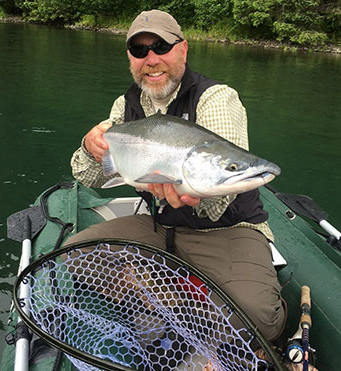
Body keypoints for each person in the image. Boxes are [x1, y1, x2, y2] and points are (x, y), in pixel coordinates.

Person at [68, 9, 286, 349]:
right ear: (130, 58)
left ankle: (168, 306)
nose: (151, 59)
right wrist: (90, 147)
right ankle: (183, 307)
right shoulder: (123, 108)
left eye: (161, 47)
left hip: (227, 230)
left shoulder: (216, 98)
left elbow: (220, 191)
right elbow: (89, 176)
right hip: (160, 227)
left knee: (260, 319)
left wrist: (193, 193)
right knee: (76, 254)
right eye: (140, 51)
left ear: (183, 49)